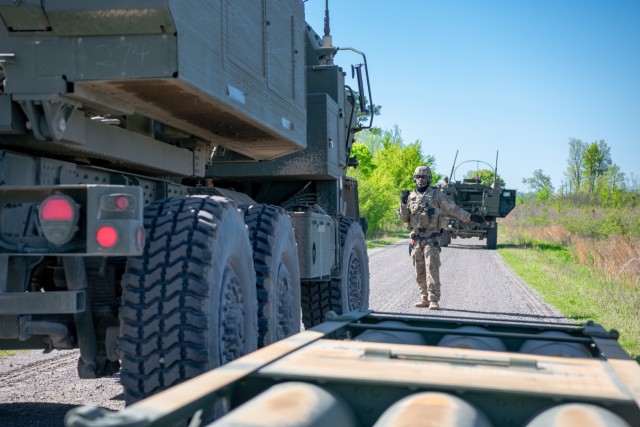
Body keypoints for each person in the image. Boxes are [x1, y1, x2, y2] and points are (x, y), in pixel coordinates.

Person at [398, 166, 484, 309]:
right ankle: (424, 298)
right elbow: (404, 218)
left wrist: (470, 217)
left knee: (431, 268)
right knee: (419, 271)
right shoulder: (410, 196)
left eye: (424, 177)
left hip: (431, 237)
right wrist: (402, 203)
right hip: (416, 239)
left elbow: (453, 209)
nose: (420, 179)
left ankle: (433, 300)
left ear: (429, 179)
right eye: (418, 177)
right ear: (414, 178)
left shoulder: (437, 195)